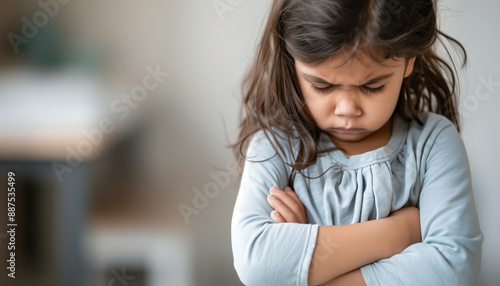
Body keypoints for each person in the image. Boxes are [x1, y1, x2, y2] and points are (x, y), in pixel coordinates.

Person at [230, 0, 483, 285]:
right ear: (293, 62)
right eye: (322, 85)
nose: (347, 109)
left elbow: (454, 271)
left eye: (372, 86)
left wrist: (304, 268)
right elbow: (257, 264)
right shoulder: (274, 147)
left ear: (410, 60)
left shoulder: (433, 142)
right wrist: (400, 231)